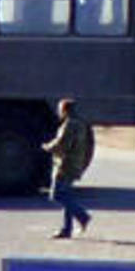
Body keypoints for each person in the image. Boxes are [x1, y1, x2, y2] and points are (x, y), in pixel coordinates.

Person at [42, 98, 92, 240]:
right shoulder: (81, 124)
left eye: (60, 109)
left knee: (56, 194)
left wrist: (47, 147)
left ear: (64, 110)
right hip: (76, 163)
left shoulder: (69, 125)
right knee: (67, 195)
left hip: (65, 165)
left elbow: (62, 144)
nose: (58, 112)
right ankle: (66, 229)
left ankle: (82, 216)